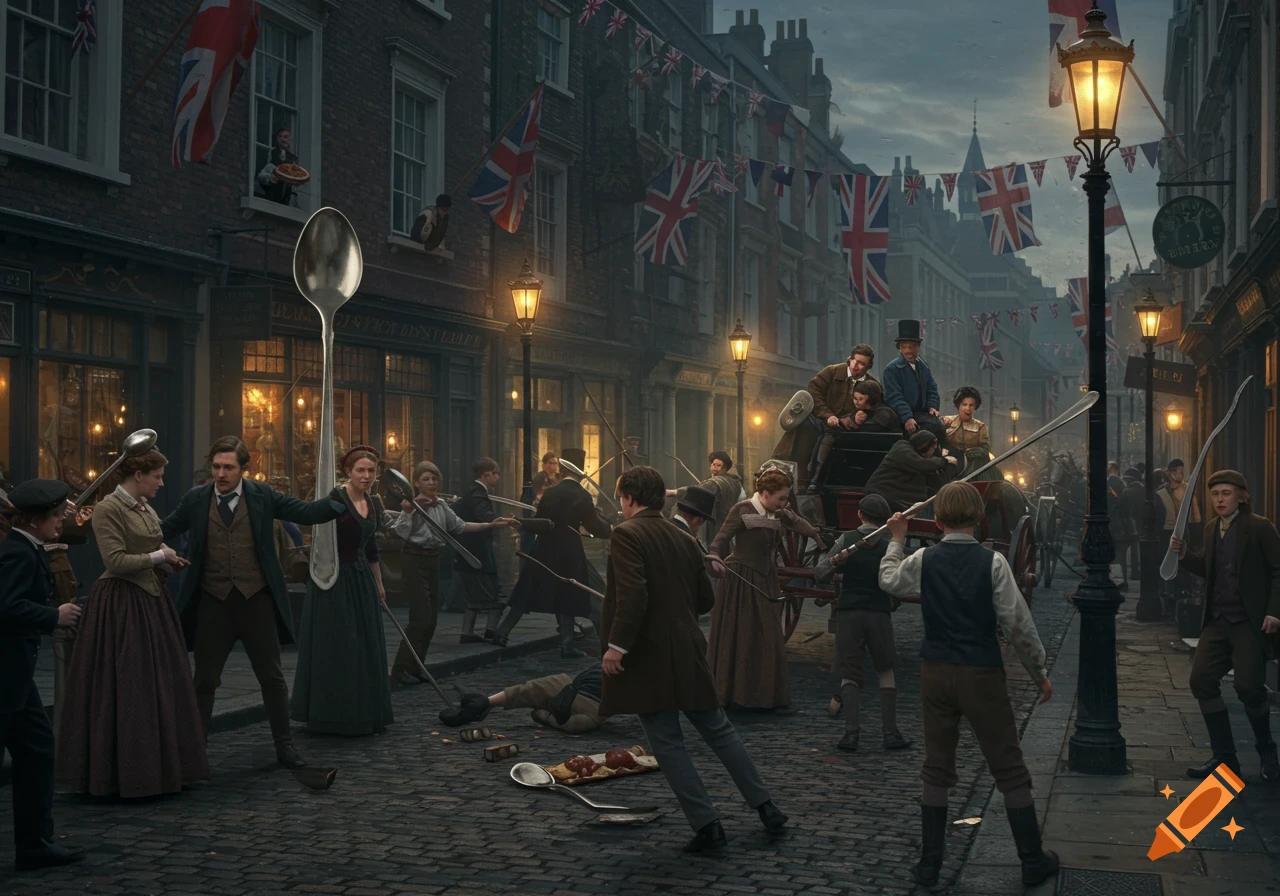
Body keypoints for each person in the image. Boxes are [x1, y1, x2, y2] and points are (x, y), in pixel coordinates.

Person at [878, 482, 1058, 888]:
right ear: (980, 519)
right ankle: (1032, 859)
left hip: (935, 671)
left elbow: (890, 580)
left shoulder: (924, 558)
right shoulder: (992, 563)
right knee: (1007, 765)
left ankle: (929, 865)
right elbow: (1017, 623)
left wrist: (896, 540)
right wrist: (1039, 673)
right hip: (980, 672)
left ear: (938, 521)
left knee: (937, 766)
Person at [601, 465, 787, 853]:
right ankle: (766, 806)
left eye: (621, 498)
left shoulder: (626, 533)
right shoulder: (682, 536)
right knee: (719, 731)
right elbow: (706, 599)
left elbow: (633, 597)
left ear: (631, 498)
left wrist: (617, 646)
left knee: (668, 743)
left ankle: (707, 824)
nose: (621, 506)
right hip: (687, 647)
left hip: (649, 654)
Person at [162, 436, 346, 767]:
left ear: (244, 468)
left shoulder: (261, 495)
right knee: (204, 679)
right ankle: (195, 750)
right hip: (212, 600)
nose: (221, 474)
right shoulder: (196, 499)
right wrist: (119, 521)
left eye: (229, 467)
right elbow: (164, 528)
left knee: (271, 676)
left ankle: (284, 745)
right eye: (216, 466)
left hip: (255, 598)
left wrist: (341, 500)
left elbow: (303, 511)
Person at [55, 449, 210, 797]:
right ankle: (121, 772)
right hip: (121, 604)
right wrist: (160, 555)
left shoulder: (145, 507)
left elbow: (151, 545)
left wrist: (169, 560)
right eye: (156, 476)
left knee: (158, 683)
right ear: (138, 475)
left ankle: (160, 767)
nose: (161, 483)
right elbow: (116, 560)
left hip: (151, 600)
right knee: (128, 683)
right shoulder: (109, 508)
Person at [1169, 470, 1280, 782]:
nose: (1219, 500)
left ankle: (1267, 749)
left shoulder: (1260, 528)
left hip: (1248, 622)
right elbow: (1209, 568)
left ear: (1241, 496)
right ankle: (1225, 758)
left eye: (1226, 493)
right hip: (1217, 622)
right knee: (1201, 681)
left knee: (1249, 688)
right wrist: (1185, 556)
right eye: (1215, 494)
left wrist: (1274, 611)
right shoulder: (1209, 529)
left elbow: (1278, 569)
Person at [0, 480, 84, 871]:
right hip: (5, 672)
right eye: (55, 517)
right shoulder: (17, 553)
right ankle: (33, 843)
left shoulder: (28, 548)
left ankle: (34, 843)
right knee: (34, 750)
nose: (60, 522)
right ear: (35, 521)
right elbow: (7, 606)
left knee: (37, 750)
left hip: (17, 673)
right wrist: (54, 616)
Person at [291, 447, 395, 735]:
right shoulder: (335, 500)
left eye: (371, 471)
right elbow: (319, 535)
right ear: (348, 472)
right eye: (360, 470)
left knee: (365, 644)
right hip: (335, 578)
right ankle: (333, 715)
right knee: (341, 643)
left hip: (361, 578)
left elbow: (371, 546)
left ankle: (366, 712)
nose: (366, 476)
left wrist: (379, 583)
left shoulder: (373, 502)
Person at [381, 460, 512, 679]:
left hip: (434, 560)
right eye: (426, 479)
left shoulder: (441, 505)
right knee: (420, 617)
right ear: (415, 483)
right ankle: (400, 669)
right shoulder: (411, 506)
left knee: (431, 619)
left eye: (434, 478)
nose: (432, 483)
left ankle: (417, 667)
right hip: (414, 560)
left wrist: (491, 524)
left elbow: (460, 526)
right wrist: (410, 510)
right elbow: (401, 533)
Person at [708, 467, 825, 711]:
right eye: (781, 498)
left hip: (766, 578)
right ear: (764, 493)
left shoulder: (778, 511)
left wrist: (818, 536)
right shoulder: (742, 510)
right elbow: (719, 541)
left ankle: (763, 696)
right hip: (741, 580)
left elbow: (798, 523)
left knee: (767, 634)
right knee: (741, 635)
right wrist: (715, 558)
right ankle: (735, 695)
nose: (784, 503)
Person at [814, 494, 910, 753]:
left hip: (849, 613)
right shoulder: (891, 544)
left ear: (859, 515)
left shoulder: (846, 540)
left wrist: (835, 561)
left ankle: (851, 733)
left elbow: (820, 574)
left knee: (849, 672)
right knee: (886, 670)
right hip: (878, 612)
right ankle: (890, 732)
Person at [492, 448, 612, 655]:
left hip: (545, 547)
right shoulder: (582, 495)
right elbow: (595, 527)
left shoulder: (551, 492)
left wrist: (522, 522)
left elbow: (541, 521)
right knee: (568, 595)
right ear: (580, 473)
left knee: (527, 590)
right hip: (570, 551)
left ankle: (502, 632)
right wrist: (610, 528)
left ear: (563, 471)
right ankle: (566, 645)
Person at [452, 458, 517, 644]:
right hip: (477, 550)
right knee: (496, 594)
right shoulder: (478, 493)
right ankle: (491, 631)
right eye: (495, 473)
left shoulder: (473, 491)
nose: (497, 477)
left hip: (470, 550)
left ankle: (468, 633)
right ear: (485, 474)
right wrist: (507, 521)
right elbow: (487, 519)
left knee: (474, 594)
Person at [440, 665, 610, 734]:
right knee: (538, 688)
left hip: (599, 703)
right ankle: (483, 703)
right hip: (581, 684)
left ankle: (546, 714)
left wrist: (543, 716)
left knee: (577, 724)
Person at [802, 344, 882, 490]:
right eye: (854, 360)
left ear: (868, 366)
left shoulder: (873, 385)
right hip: (822, 420)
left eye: (862, 364)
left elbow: (877, 406)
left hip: (851, 428)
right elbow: (813, 393)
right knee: (810, 432)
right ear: (849, 359)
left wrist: (859, 416)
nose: (856, 366)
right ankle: (811, 476)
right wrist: (828, 415)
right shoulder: (831, 372)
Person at [805, 380, 901, 494]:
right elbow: (847, 421)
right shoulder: (861, 411)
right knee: (826, 434)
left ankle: (816, 478)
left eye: (860, 399)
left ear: (871, 399)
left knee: (831, 436)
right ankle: (814, 475)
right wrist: (840, 421)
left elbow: (869, 432)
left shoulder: (885, 413)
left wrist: (856, 423)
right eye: (855, 398)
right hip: (862, 453)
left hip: (875, 456)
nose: (856, 402)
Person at [881, 319, 946, 447]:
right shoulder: (892, 369)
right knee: (931, 430)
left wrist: (932, 406)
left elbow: (932, 388)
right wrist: (907, 417)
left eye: (913, 346)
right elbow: (894, 397)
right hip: (901, 417)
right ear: (899, 347)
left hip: (922, 413)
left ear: (918, 346)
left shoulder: (923, 366)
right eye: (905, 346)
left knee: (939, 426)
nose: (909, 350)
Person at [864, 430, 957, 513]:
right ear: (924, 445)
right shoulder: (902, 447)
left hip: (894, 497)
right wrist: (945, 461)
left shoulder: (919, 458)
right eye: (933, 448)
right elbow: (921, 464)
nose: (933, 452)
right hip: (880, 494)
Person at [942, 386, 998, 482]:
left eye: (971, 405)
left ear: (975, 407)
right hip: (950, 462)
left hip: (973, 465)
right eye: (964, 404)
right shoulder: (947, 421)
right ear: (958, 405)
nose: (967, 408)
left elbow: (985, 447)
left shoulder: (981, 426)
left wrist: (968, 455)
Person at [256, 127, 299, 205]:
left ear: (290, 140)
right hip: (272, 191)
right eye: (280, 136)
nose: (283, 139)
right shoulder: (272, 152)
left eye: (285, 137)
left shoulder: (293, 159)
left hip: (287, 194)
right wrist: (272, 178)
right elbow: (261, 173)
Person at [1166, 459, 1201, 550]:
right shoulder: (1165, 489)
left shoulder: (1186, 487)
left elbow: (1194, 506)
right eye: (1179, 472)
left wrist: (1196, 522)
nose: (1181, 475)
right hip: (1169, 526)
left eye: (1182, 472)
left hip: (1185, 525)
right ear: (1171, 473)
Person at [1118, 467, 1144, 582]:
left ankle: (1133, 572)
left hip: (1130, 523)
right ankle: (1139, 570)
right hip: (1142, 522)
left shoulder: (1126, 491)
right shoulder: (1143, 490)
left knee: (1131, 548)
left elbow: (1122, 509)